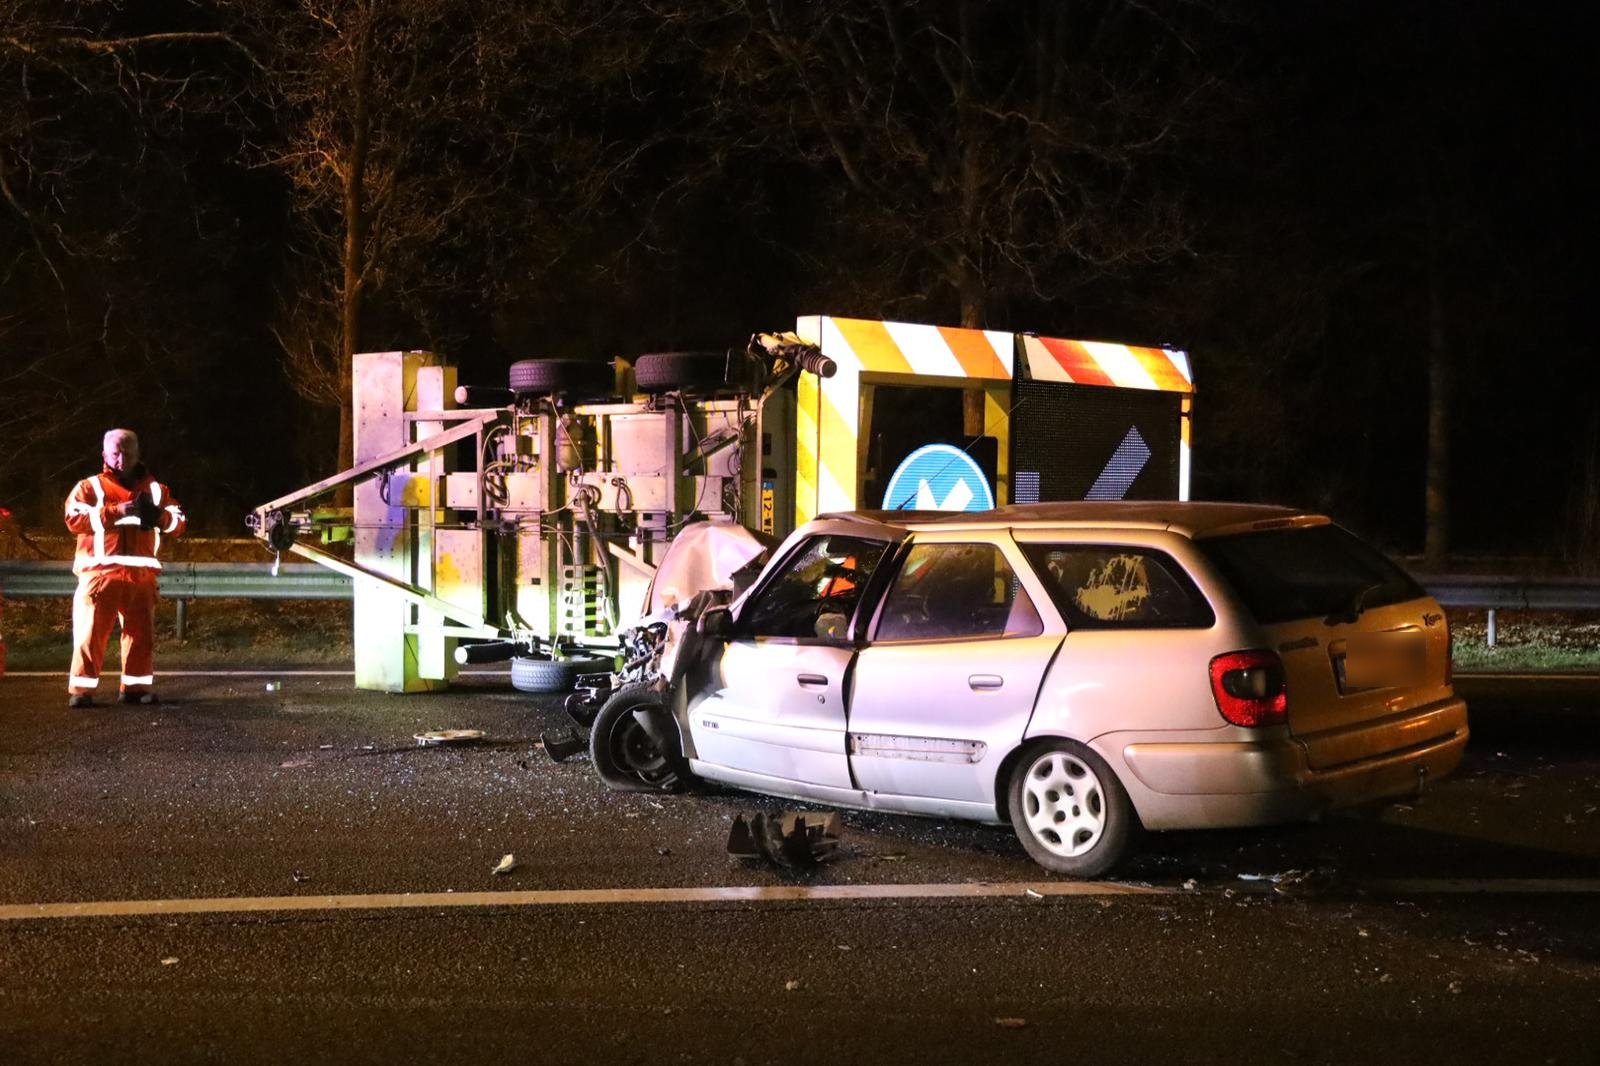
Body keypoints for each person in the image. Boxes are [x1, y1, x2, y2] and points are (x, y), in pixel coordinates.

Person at [62, 429, 186, 707]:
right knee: (90, 634)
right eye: (115, 452)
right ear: (104, 454)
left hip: (141, 576)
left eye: (127, 451)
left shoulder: (157, 490)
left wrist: (160, 516)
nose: (121, 457)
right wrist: (117, 511)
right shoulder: (89, 487)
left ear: (138, 453)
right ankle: (81, 691)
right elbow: (73, 519)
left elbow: (179, 524)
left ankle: (135, 687)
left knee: (141, 635)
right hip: (100, 574)